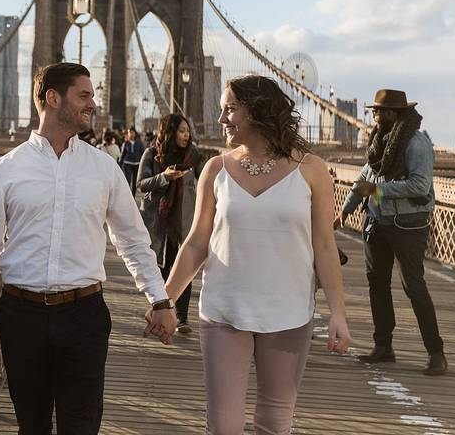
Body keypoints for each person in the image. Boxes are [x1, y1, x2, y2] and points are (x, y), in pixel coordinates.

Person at [0, 62, 177, 435]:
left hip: (84, 316)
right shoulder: (5, 169)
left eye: (92, 96)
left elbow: (132, 240)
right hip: (21, 316)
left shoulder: (105, 168)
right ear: (52, 98)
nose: (93, 103)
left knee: (81, 426)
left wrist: (159, 300)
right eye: (84, 95)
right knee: (32, 426)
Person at [150, 74, 350, 434]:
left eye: (230, 109)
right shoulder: (215, 169)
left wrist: (338, 313)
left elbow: (325, 246)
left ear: (257, 111)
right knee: (223, 426)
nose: (222, 118)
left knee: (275, 423)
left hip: (288, 313)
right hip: (224, 310)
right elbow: (196, 242)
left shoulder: (312, 170)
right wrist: (165, 302)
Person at [337, 89, 445, 375]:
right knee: (377, 285)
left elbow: (420, 186)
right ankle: (383, 347)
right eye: (374, 111)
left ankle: (436, 353)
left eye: (380, 111)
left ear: (395, 114)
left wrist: (378, 192)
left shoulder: (416, 142)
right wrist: (348, 208)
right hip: (376, 223)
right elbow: (366, 177)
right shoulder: (379, 140)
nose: (375, 115)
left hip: (409, 225)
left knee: (414, 286)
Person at [136, 113, 204, 333]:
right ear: (169, 132)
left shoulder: (194, 157)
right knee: (162, 271)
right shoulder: (151, 154)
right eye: (181, 131)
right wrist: (164, 177)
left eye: (187, 131)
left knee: (183, 268)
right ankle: (162, 314)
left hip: (184, 222)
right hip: (158, 222)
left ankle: (182, 318)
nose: (186, 135)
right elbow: (141, 184)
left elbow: (207, 184)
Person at [120, 128, 145, 194]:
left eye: (132, 132)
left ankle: (133, 196)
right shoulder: (125, 143)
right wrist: (119, 164)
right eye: (129, 132)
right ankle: (127, 196)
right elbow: (122, 155)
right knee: (127, 181)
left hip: (137, 165)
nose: (131, 134)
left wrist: (144, 165)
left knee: (135, 182)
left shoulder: (139, 143)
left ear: (135, 134)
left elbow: (143, 154)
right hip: (127, 164)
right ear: (128, 134)